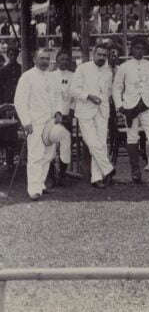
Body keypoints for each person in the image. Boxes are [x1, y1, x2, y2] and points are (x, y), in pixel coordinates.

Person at [14, 49, 71, 200]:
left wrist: (59, 112)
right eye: (42, 58)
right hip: (34, 122)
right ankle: (33, 189)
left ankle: (41, 184)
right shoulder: (27, 77)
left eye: (47, 58)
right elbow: (19, 101)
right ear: (34, 59)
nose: (45, 61)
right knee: (35, 155)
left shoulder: (52, 77)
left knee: (48, 154)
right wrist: (26, 122)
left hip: (50, 121)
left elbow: (58, 96)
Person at [113, 37, 149, 183]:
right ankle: (135, 171)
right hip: (130, 108)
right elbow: (116, 88)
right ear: (132, 49)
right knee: (132, 137)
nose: (139, 51)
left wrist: (146, 94)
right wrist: (120, 105)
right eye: (136, 48)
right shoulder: (124, 66)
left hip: (146, 106)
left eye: (142, 48)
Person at [70, 43, 116, 189]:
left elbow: (108, 92)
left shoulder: (108, 72)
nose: (102, 58)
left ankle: (97, 178)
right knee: (92, 142)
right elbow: (73, 90)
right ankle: (108, 168)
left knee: (101, 143)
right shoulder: (83, 68)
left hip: (102, 111)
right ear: (93, 54)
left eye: (104, 55)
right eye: (99, 54)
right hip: (85, 110)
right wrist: (89, 96)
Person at [47, 50, 75, 187]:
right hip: (52, 117)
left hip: (66, 115)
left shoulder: (73, 76)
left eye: (66, 59)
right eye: (61, 59)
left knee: (66, 145)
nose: (64, 61)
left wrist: (71, 112)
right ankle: (51, 176)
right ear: (57, 60)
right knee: (51, 146)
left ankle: (62, 174)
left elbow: (75, 97)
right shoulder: (50, 76)